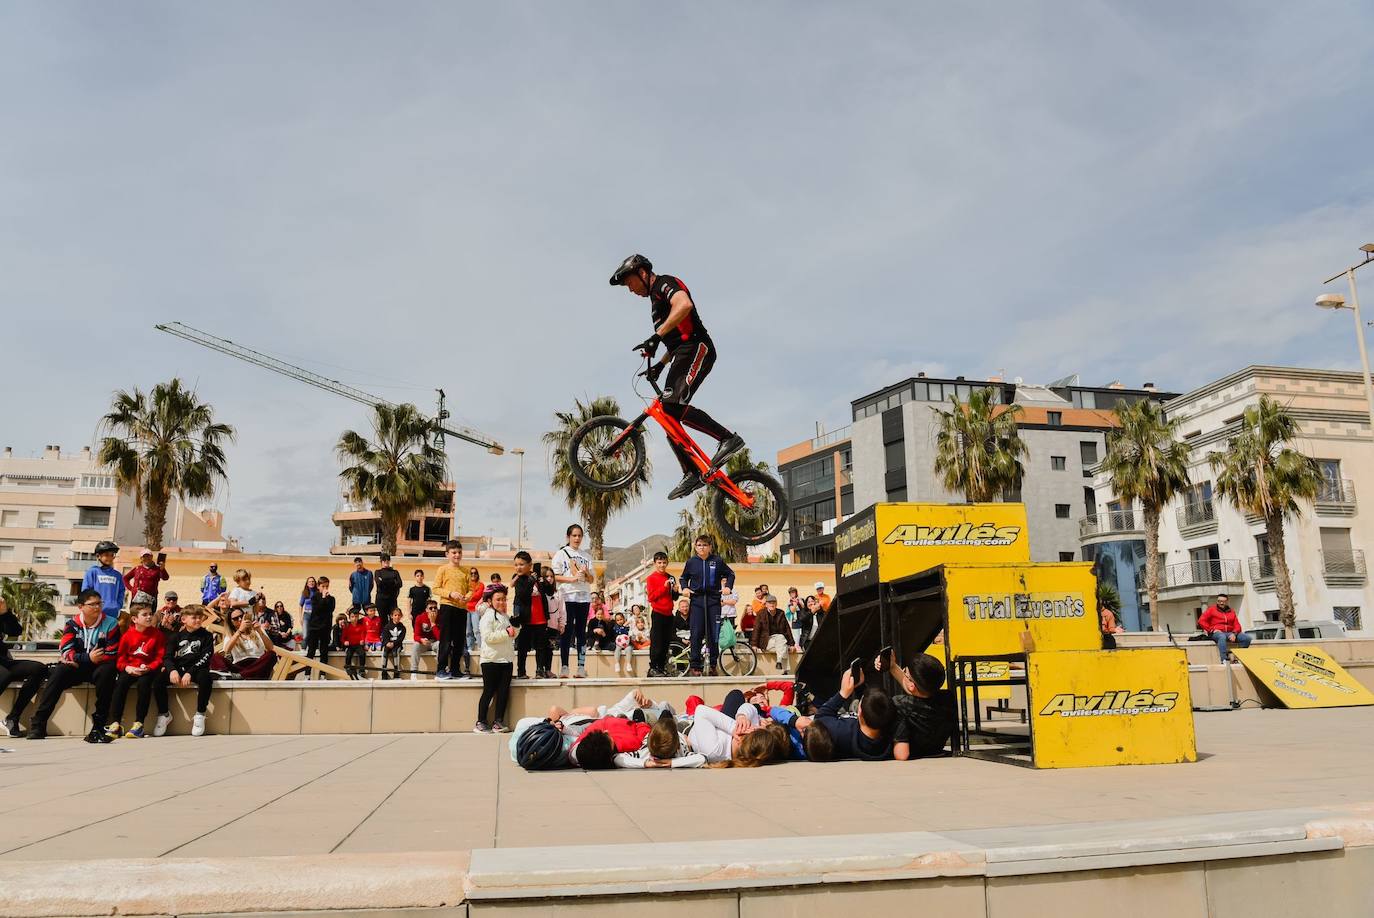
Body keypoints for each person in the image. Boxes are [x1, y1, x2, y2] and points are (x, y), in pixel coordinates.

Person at [609, 253, 744, 500]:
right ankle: (691, 472)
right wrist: (660, 364)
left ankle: (728, 439)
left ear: (641, 273)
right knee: (668, 414)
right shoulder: (654, 304)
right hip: (683, 352)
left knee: (672, 405)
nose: (630, 290)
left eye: (629, 283)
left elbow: (684, 306)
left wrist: (657, 336)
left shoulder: (665, 284)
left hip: (698, 348)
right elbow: (675, 339)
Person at [26, 589, 120, 741]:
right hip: (78, 666)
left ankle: (99, 725)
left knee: (107, 672)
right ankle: (38, 724)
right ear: (81, 606)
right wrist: (87, 657)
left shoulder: (111, 623)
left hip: (100, 667)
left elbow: (111, 652)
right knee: (59, 672)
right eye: (92, 604)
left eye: (99, 603)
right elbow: (66, 651)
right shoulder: (72, 624)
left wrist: (84, 658)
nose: (97, 607)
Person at [875, 650, 956, 761]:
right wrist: (893, 666)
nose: (903, 673)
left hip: (908, 752)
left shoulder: (900, 705)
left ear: (912, 686)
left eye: (905, 673)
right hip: (935, 751)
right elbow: (916, 690)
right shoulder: (948, 698)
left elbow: (901, 755)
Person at [106, 599, 169, 739]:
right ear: (134, 619)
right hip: (131, 668)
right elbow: (120, 658)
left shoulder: (157, 635)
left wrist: (150, 667)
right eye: (145, 614)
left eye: (150, 614)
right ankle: (116, 723)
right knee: (120, 684)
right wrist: (127, 668)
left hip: (148, 670)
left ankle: (139, 724)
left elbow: (160, 657)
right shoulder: (127, 636)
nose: (149, 617)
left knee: (144, 684)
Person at [807, 667, 894, 761]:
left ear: (860, 711)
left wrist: (843, 694)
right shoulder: (889, 734)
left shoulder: (841, 732)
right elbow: (874, 708)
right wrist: (859, 687)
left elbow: (820, 718)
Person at [680, 533, 735, 676]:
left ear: (710, 547)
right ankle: (695, 666)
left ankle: (712, 664)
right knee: (697, 633)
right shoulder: (691, 562)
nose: (702, 548)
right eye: (699, 545)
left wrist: (728, 586)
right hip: (697, 601)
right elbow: (683, 578)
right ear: (695, 547)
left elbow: (730, 574)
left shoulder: (717, 561)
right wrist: (685, 588)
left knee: (713, 634)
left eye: (705, 545)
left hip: (713, 601)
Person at [1, 595, 49, 738]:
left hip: (4, 662)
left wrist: (4, 612)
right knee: (4, 674)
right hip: (3, 669)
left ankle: (12, 718)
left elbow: (15, 631)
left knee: (38, 669)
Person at [165, 604, 217, 736]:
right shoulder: (175, 637)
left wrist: (190, 672)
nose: (198, 620)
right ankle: (164, 714)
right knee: (158, 681)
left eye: (200, 617)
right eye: (194, 618)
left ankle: (200, 714)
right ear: (184, 620)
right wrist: (172, 670)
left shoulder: (207, 636)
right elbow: (167, 657)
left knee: (206, 679)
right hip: (179, 669)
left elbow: (206, 656)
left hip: (198, 669)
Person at [553, 524, 595, 678]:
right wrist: (571, 579)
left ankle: (581, 667)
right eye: (574, 535)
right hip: (567, 596)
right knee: (566, 631)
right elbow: (554, 576)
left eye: (579, 536)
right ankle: (564, 667)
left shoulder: (586, 556)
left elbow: (591, 579)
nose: (577, 538)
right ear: (568, 537)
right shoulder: (561, 554)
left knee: (581, 633)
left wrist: (586, 573)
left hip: (584, 597)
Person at [475, 589, 516, 733]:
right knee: (489, 691)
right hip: (490, 660)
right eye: (498, 599)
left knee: (503, 692)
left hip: (506, 660)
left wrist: (516, 627)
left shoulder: (504, 616)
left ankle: (498, 721)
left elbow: (512, 635)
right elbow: (488, 637)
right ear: (490, 601)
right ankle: (480, 721)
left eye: (504, 599)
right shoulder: (487, 616)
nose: (501, 602)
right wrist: (506, 633)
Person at [432, 540, 471, 681]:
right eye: (454, 552)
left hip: (461, 608)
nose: (457, 555)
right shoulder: (442, 569)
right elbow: (435, 588)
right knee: (446, 640)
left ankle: (455, 670)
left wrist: (466, 597)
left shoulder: (466, 571)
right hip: (447, 607)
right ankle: (441, 670)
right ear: (447, 554)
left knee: (460, 641)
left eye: (459, 552)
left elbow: (471, 589)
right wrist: (450, 594)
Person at [614, 711, 707, 768]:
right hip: (679, 735)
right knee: (667, 715)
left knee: (662, 717)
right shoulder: (681, 753)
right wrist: (673, 763)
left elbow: (617, 758)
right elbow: (703, 758)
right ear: (678, 747)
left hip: (664, 735)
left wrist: (645, 763)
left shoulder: (645, 753)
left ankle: (643, 722)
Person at [511, 552, 549, 679]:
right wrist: (531, 581)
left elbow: (549, 591)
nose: (518, 567)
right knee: (523, 648)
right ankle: (521, 672)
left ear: (529, 565)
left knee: (541, 647)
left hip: (540, 619)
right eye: (516, 565)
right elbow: (522, 595)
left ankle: (539, 670)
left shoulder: (537, 578)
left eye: (521, 564)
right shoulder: (519, 580)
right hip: (526, 620)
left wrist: (542, 580)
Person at [222, 601, 276, 680]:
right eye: (236, 618)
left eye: (241, 616)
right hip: (240, 665)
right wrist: (239, 631)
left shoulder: (257, 629)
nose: (240, 619)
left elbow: (270, 647)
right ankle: (244, 675)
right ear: (231, 622)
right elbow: (226, 650)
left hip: (258, 664)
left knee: (272, 655)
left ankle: (242, 675)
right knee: (216, 657)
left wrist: (259, 631)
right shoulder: (231, 635)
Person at [644, 551, 678, 677]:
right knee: (657, 643)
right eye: (659, 563)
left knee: (665, 643)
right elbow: (651, 597)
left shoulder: (671, 577)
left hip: (669, 614)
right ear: (655, 563)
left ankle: (662, 668)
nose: (662, 565)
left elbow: (673, 598)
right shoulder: (651, 578)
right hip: (658, 613)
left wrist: (675, 591)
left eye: (664, 563)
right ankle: (653, 668)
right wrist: (664, 587)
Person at [1199, 593, 1251, 661]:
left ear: (1226, 602)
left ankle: (1238, 658)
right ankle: (1224, 659)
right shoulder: (1211, 610)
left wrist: (1234, 633)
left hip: (1229, 633)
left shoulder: (1231, 611)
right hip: (1216, 633)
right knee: (1221, 636)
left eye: (1223, 601)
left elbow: (1237, 625)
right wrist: (1211, 630)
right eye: (1219, 601)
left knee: (1247, 638)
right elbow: (1201, 621)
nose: (1221, 603)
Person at [751, 593, 795, 674]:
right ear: (766, 604)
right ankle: (785, 670)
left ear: (776, 604)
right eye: (770, 603)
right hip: (767, 640)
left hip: (779, 639)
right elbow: (756, 629)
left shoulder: (781, 613)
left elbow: (787, 628)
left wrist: (792, 644)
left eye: (773, 602)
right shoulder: (761, 613)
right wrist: (754, 645)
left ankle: (779, 662)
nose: (772, 604)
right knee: (783, 647)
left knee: (781, 638)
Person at [82, 540, 126, 619]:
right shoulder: (93, 572)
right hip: (95, 612)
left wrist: (118, 605)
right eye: (106, 555)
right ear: (98, 556)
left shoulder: (117, 575)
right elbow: (86, 592)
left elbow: (121, 591)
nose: (109, 557)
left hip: (113, 612)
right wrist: (92, 606)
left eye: (112, 555)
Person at [305, 576, 335, 667]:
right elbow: (317, 609)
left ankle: (323, 674)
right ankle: (307, 674)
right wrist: (322, 597)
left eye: (327, 586)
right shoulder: (314, 597)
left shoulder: (331, 599)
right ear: (318, 586)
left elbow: (330, 610)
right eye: (323, 586)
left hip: (325, 628)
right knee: (311, 651)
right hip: (314, 628)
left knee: (324, 652)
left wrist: (326, 598)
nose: (325, 589)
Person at [409, 600, 441, 680]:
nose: (433, 610)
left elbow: (440, 637)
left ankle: (440, 671)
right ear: (426, 609)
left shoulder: (440, 617)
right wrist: (421, 640)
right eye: (431, 608)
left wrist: (433, 623)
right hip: (424, 643)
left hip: (434, 642)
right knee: (416, 645)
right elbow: (416, 636)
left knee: (441, 644)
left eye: (435, 608)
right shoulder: (420, 617)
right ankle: (414, 672)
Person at [465, 565, 485, 678]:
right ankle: (470, 647)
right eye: (471, 573)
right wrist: (469, 596)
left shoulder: (481, 585)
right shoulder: (466, 584)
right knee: (468, 630)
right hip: (466, 608)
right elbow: (464, 595)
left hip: (475, 609)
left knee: (477, 629)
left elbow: (478, 595)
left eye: (475, 573)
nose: (473, 575)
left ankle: (481, 646)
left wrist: (469, 595)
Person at [374, 553, 403, 619]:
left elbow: (400, 584)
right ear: (381, 562)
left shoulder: (395, 572)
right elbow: (379, 584)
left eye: (388, 560)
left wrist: (384, 581)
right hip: (381, 600)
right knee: (382, 620)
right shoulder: (378, 572)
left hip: (392, 600)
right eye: (384, 560)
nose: (386, 561)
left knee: (393, 619)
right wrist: (393, 581)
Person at [380, 609, 407, 680]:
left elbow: (401, 639)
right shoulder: (387, 627)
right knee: (385, 652)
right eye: (395, 615)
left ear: (401, 616)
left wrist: (393, 643)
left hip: (397, 645)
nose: (397, 617)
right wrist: (387, 643)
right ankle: (384, 671)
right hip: (388, 644)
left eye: (399, 615)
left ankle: (396, 673)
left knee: (395, 652)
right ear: (392, 616)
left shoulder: (403, 628)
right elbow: (385, 637)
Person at [342, 608, 367, 679]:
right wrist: (344, 642)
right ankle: (348, 667)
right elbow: (343, 638)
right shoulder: (347, 627)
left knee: (362, 653)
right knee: (349, 654)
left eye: (356, 617)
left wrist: (362, 641)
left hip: (358, 645)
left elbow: (363, 636)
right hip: (350, 645)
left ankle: (362, 669)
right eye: (352, 617)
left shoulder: (361, 626)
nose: (354, 618)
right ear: (349, 618)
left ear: (358, 617)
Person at [611, 611, 634, 675]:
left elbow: (629, 634)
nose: (619, 621)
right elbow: (615, 635)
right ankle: (617, 663)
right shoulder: (615, 628)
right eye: (617, 620)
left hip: (627, 644)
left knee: (629, 649)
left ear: (624, 619)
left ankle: (628, 664)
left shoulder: (627, 627)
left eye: (621, 619)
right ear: (616, 621)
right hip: (619, 644)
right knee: (617, 649)